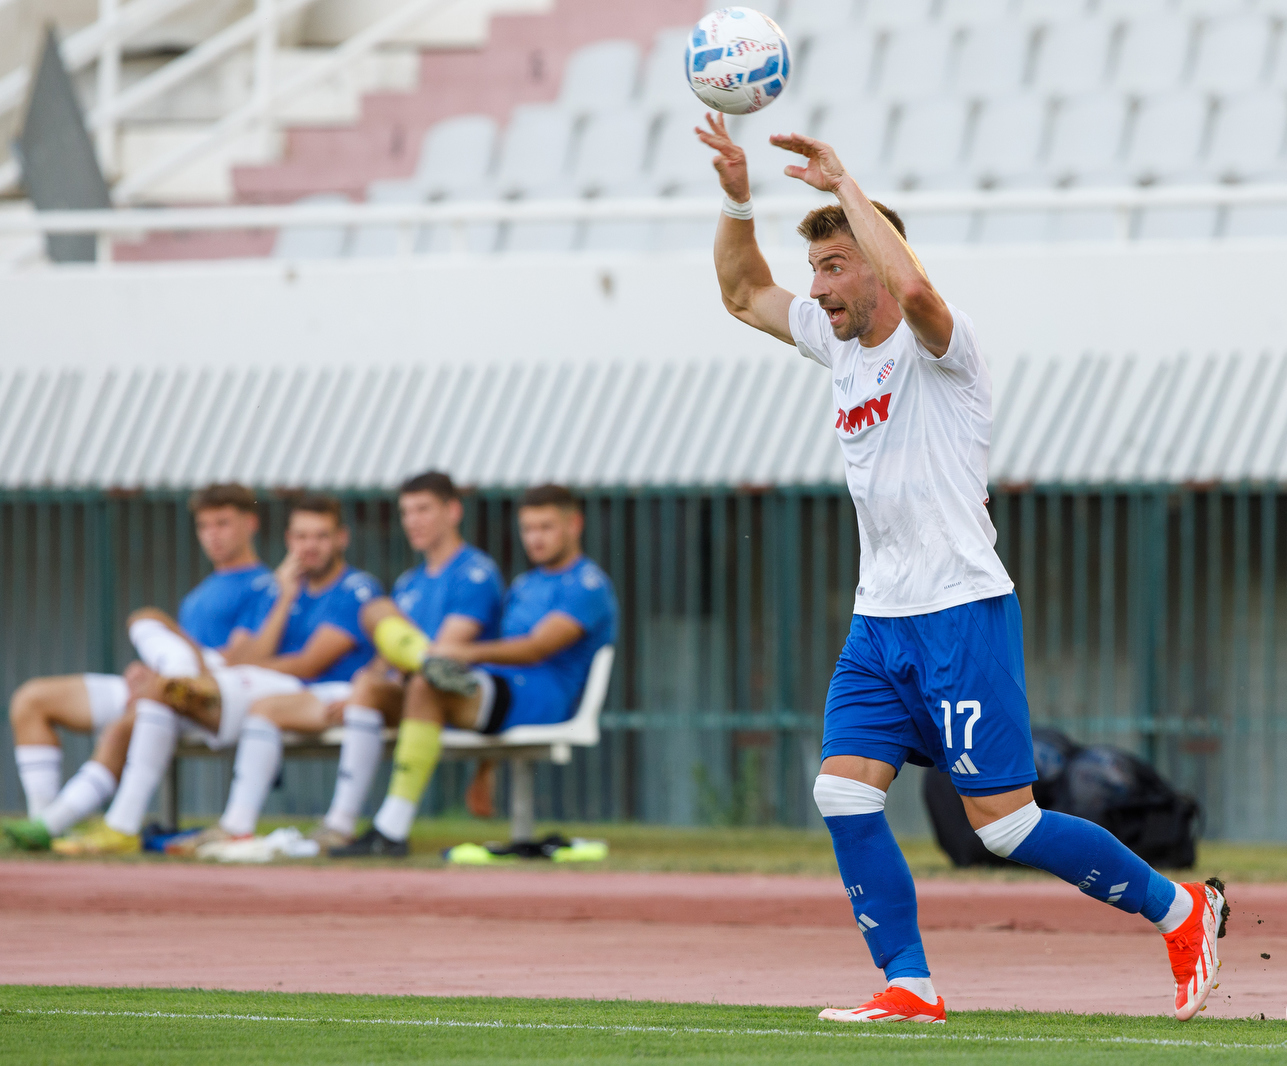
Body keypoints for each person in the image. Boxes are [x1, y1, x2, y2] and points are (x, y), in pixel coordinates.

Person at [695, 112, 1227, 1024]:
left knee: (1007, 825)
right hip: (880, 623)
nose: (818, 287)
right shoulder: (837, 346)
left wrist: (844, 187)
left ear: (874, 258)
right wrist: (739, 194)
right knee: (840, 791)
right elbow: (744, 292)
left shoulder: (946, 348)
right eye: (816, 270)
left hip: (960, 613)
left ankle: (1180, 910)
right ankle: (910, 983)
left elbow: (920, 288)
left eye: (834, 266)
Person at [330, 484, 616, 857]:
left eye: (545, 527)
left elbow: (536, 648)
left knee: (425, 687)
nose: (535, 538)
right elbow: (496, 668)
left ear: (573, 524)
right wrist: (486, 770)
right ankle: (339, 824)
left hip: (540, 698)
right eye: (528, 528)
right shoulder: (526, 584)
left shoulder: (587, 584)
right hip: (495, 691)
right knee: (375, 639)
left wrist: (458, 653)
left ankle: (391, 830)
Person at [4, 483, 277, 853]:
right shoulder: (200, 593)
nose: (212, 535)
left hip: (204, 697)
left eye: (223, 523)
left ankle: (57, 825)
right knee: (31, 699)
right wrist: (151, 666)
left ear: (250, 523)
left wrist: (167, 637)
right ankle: (47, 821)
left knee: (147, 628)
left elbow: (239, 661)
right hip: (167, 685)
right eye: (204, 526)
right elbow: (181, 652)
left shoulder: (265, 586)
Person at [240, 470, 504, 852]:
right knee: (372, 662)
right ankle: (335, 826)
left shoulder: (474, 573)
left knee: (420, 668)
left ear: (453, 511)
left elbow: (449, 656)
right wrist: (363, 690)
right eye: (406, 512)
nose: (413, 520)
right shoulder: (409, 582)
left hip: (456, 694)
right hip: (415, 688)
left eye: (423, 509)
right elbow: (382, 663)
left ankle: (366, 825)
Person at [162, 492, 385, 855]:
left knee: (260, 705)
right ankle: (236, 825)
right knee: (243, 702)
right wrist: (283, 599)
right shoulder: (282, 589)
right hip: (295, 695)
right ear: (288, 541)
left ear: (341, 538)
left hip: (343, 695)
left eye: (321, 536)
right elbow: (249, 654)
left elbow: (309, 664)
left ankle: (337, 826)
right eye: (301, 537)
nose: (309, 546)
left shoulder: (355, 588)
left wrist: (250, 666)